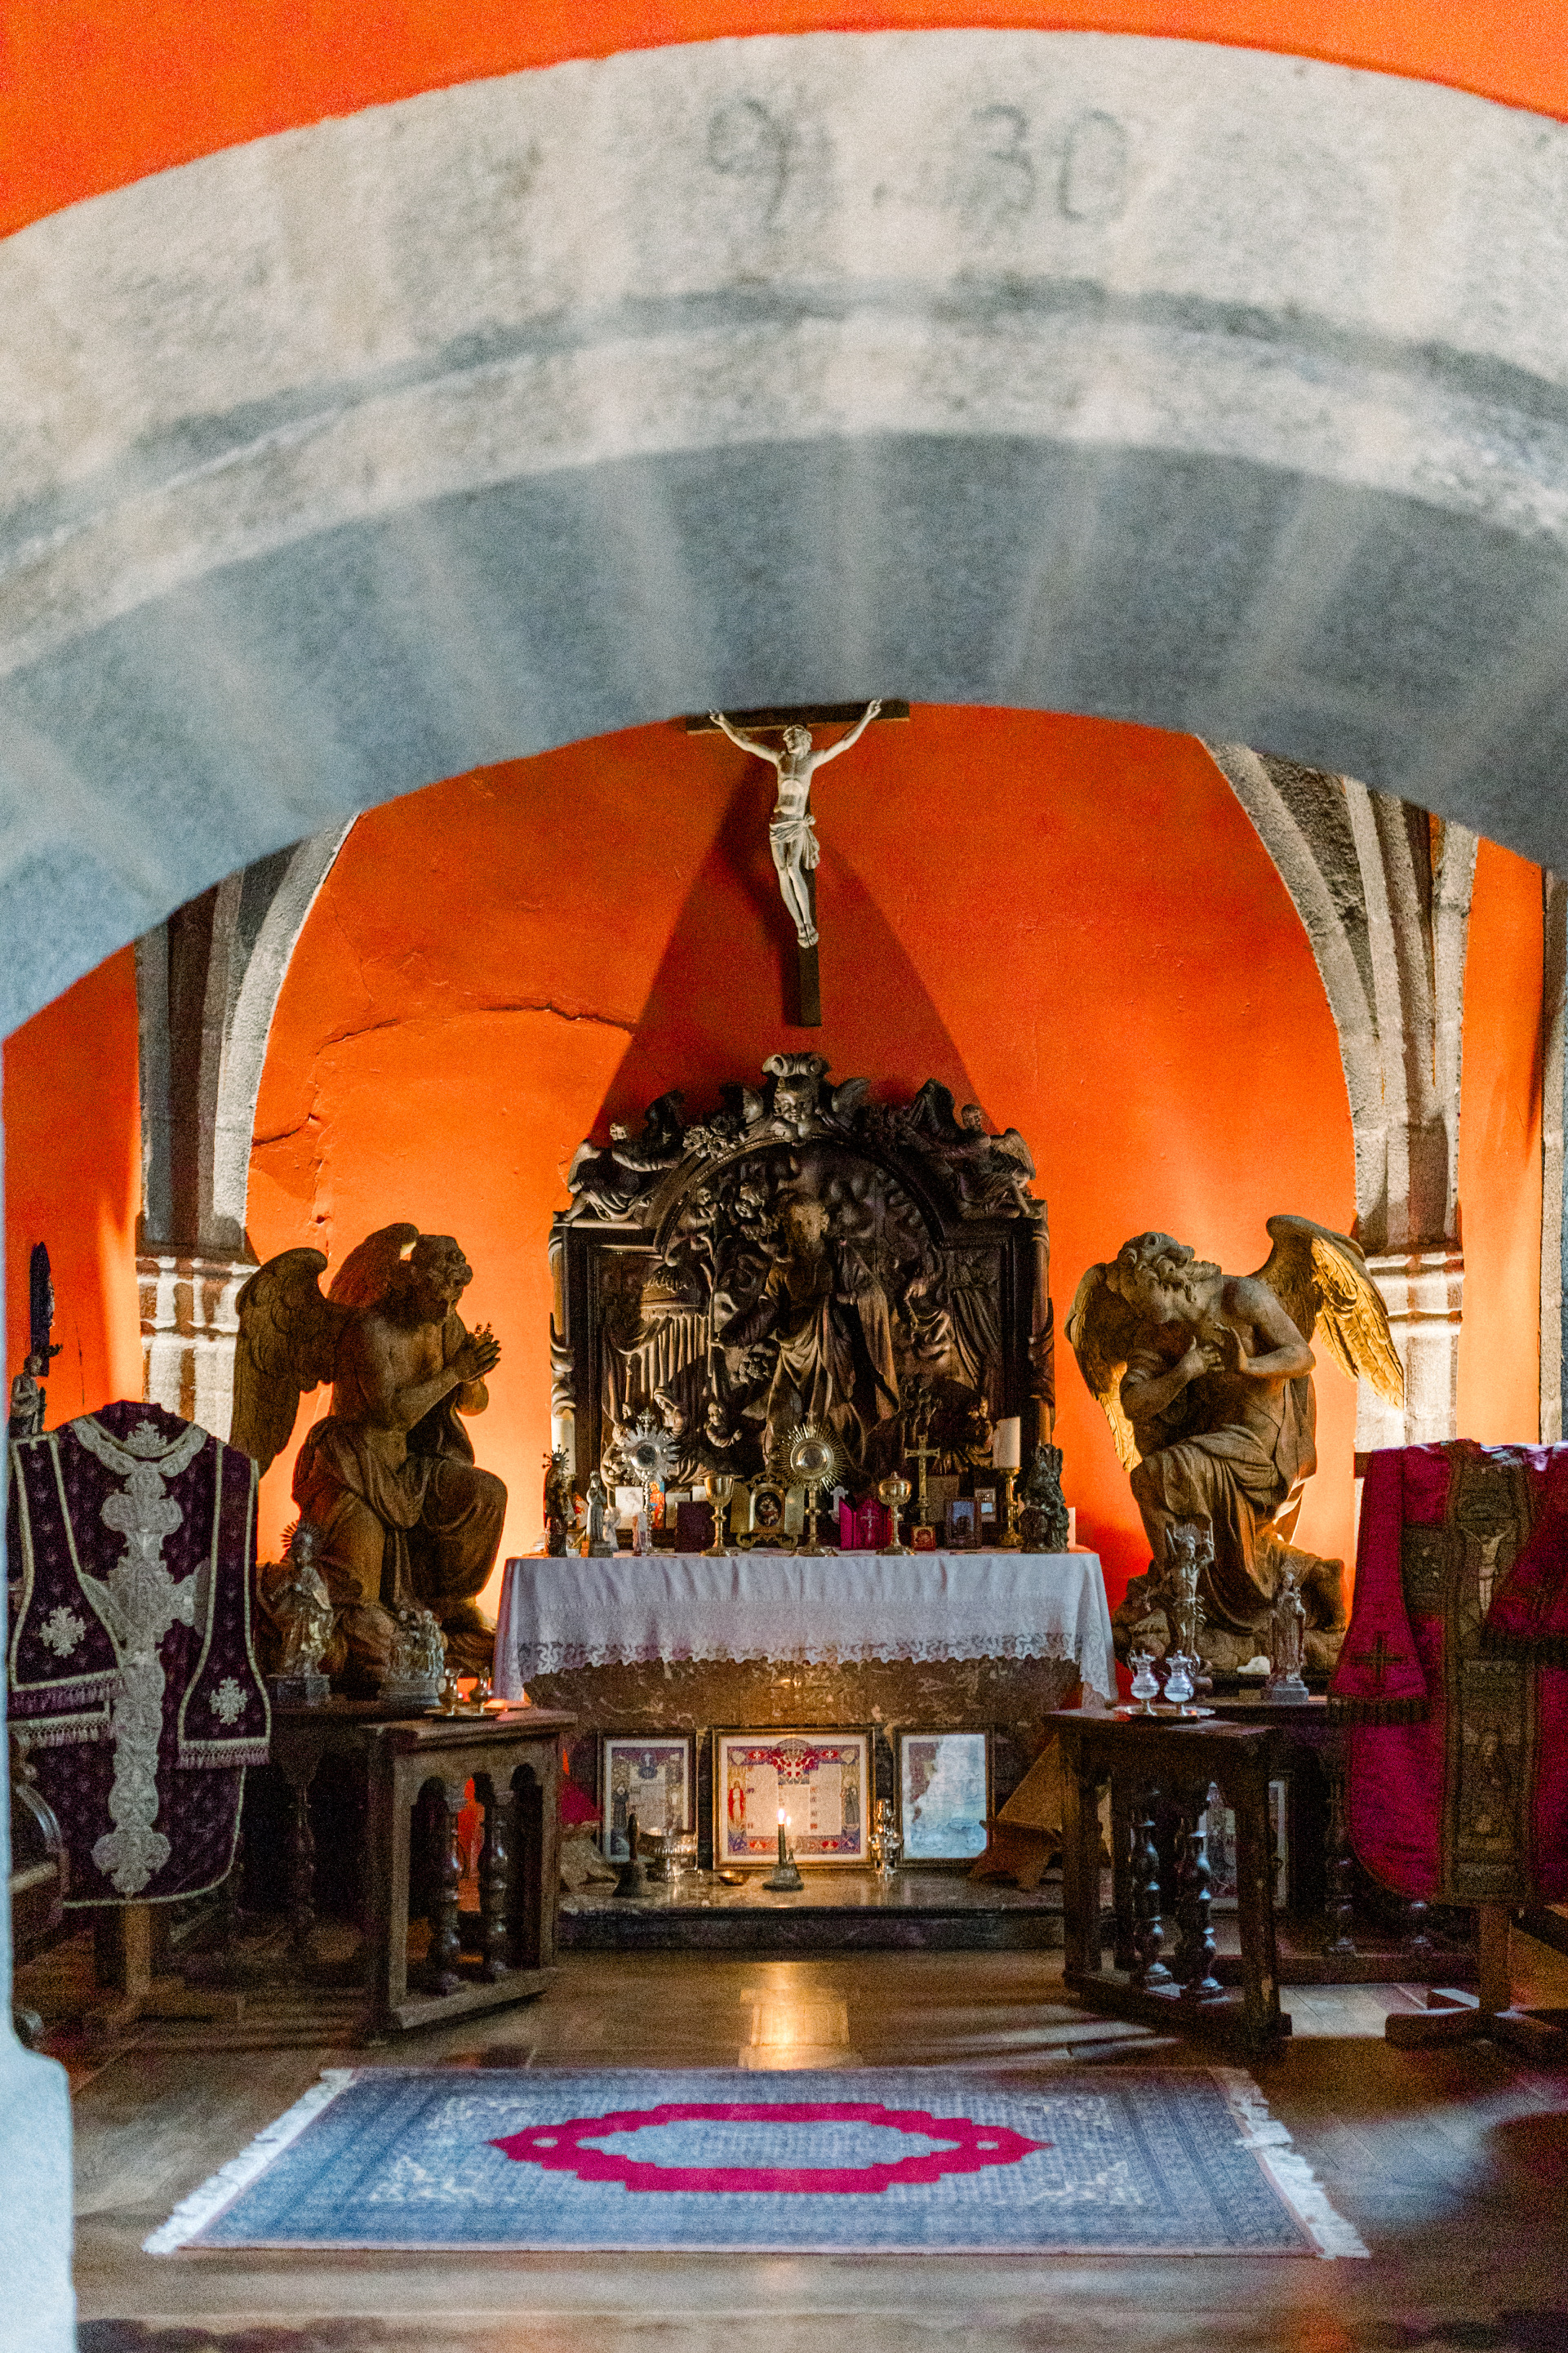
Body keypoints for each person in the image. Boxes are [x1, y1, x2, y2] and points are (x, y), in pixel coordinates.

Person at [291, 1234, 504, 1679]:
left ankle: (447, 1606)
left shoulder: (445, 1323)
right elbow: (390, 1415)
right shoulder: (370, 1330)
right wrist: (455, 1372)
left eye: (456, 1297)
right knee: (359, 1600)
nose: (447, 1308)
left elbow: (474, 1405)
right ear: (411, 1281)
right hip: (356, 1465)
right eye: (438, 1296)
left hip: (411, 1465)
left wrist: (472, 1377)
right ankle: (377, 1648)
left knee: (486, 1494)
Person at [708, 703, 882, 946]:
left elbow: (844, 743)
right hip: (777, 823)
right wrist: (724, 723)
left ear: (804, 738)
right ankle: (799, 926)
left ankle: (808, 922)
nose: (788, 741)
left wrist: (867, 717)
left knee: (792, 867)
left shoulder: (812, 760)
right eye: (787, 738)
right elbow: (746, 742)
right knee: (781, 871)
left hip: (796, 823)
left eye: (793, 737)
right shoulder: (780, 758)